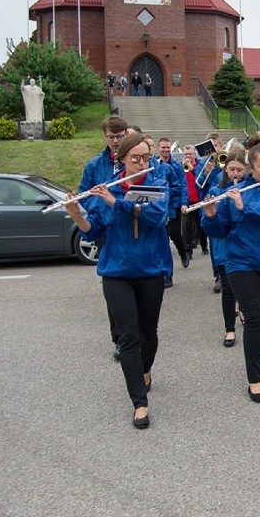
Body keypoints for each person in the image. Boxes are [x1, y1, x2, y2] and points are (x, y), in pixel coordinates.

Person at [65, 132, 172, 429]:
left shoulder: (157, 184)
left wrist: (118, 202)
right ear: (121, 158)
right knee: (128, 337)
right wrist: (76, 214)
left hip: (150, 269)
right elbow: (93, 230)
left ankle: (146, 369)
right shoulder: (106, 189)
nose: (141, 163)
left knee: (149, 333)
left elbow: (154, 218)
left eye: (145, 158)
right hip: (115, 272)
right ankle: (139, 402)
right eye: (135, 158)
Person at [201, 143, 260, 403]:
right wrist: (210, 216)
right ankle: (254, 379)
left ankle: (258, 351)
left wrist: (246, 208)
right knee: (254, 318)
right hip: (241, 263)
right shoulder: (234, 192)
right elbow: (219, 231)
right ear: (250, 168)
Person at [80, 115, 129, 360]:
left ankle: (135, 335)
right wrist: (100, 203)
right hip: (106, 227)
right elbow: (84, 194)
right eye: (112, 137)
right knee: (115, 287)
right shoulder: (95, 165)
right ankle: (120, 339)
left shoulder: (134, 161)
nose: (116, 141)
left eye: (120, 137)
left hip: (129, 224)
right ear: (105, 137)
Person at [207, 147, 248, 347]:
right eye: (232, 169)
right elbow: (210, 222)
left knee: (245, 289)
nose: (235, 174)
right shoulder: (216, 190)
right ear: (225, 169)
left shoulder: (250, 189)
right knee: (228, 290)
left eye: (239, 170)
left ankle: (243, 311)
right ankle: (229, 329)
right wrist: (210, 211)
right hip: (224, 247)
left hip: (245, 247)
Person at [157, 137, 188, 287]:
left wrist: (183, 203)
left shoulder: (176, 166)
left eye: (168, 147)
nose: (166, 150)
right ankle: (167, 275)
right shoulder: (155, 165)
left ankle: (183, 252)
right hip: (160, 207)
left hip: (174, 206)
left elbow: (182, 186)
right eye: (163, 147)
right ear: (158, 149)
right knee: (163, 241)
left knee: (175, 235)